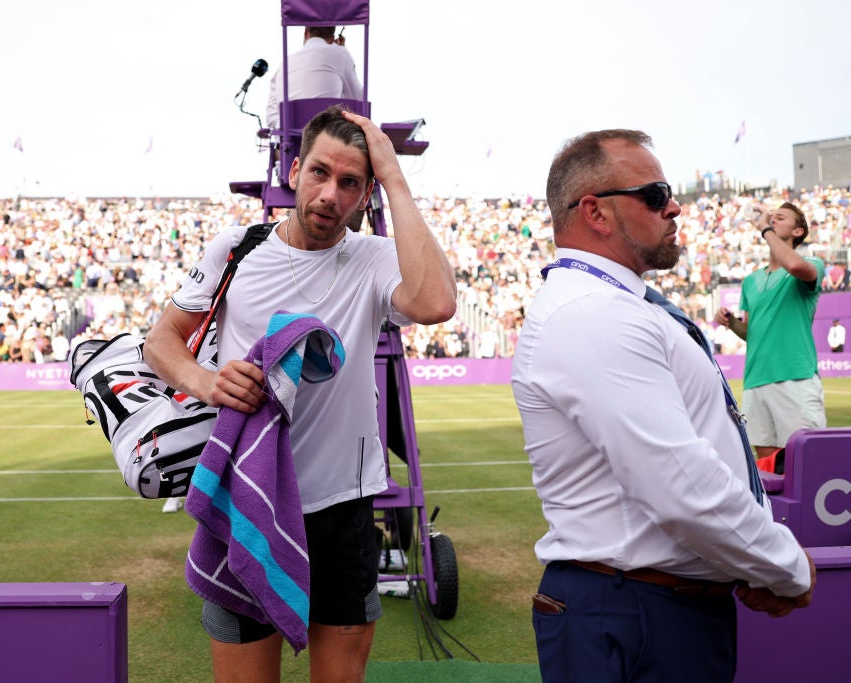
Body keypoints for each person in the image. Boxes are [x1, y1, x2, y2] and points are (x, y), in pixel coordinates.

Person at [144, 105, 456, 683]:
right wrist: (207, 381)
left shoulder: (372, 259)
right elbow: (161, 341)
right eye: (319, 173)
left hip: (343, 508)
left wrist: (395, 175)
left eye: (351, 183)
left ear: (366, 195)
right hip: (249, 499)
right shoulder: (237, 250)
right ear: (293, 170)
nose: (330, 194)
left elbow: (436, 303)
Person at [511, 129, 815, 682]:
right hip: (634, 611)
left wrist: (744, 563)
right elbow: (682, 484)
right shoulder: (594, 312)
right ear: (596, 213)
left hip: (649, 602)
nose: (674, 206)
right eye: (654, 194)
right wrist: (785, 566)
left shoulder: (613, 304)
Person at [714, 201, 827, 458]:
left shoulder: (812, 264)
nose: (772, 220)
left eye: (780, 217)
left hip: (794, 377)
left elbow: (796, 267)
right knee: (767, 467)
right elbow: (750, 333)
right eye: (771, 217)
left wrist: (766, 230)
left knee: (804, 464)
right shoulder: (751, 280)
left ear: (798, 232)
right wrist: (731, 323)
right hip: (755, 379)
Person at [265, 26, 363, 131]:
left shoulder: (284, 64)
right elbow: (359, 101)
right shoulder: (340, 53)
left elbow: (271, 118)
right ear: (332, 38)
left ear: (306, 32)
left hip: (292, 142)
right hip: (327, 136)